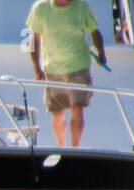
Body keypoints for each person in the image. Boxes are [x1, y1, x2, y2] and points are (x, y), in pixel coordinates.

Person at [27, 0, 107, 148]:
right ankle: (62, 148)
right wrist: (36, 68)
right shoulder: (40, 8)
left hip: (78, 67)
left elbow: (94, 32)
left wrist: (101, 52)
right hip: (52, 68)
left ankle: (74, 149)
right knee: (57, 113)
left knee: (77, 108)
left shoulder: (81, 7)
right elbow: (34, 39)